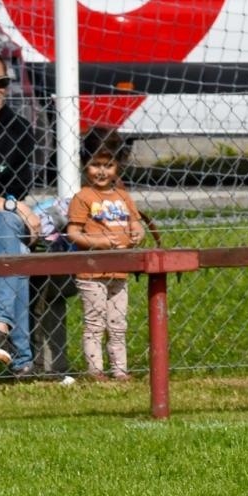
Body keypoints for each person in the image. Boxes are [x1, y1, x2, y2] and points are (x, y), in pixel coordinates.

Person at [64, 135, 145, 381]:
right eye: (95, 165)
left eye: (108, 165)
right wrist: (99, 243)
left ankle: (120, 370)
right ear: (85, 165)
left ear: (117, 166)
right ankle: (95, 371)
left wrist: (137, 233)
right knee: (95, 323)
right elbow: (73, 232)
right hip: (92, 272)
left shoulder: (122, 196)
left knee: (118, 324)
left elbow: (136, 223)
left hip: (119, 271)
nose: (101, 171)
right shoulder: (83, 197)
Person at [0, 49, 41, 377]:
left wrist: (5, 206)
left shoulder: (18, 131)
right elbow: (12, 202)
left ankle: (1, 326)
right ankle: (22, 362)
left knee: (4, 228)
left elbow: (17, 195)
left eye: (1, 82)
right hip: (1, 218)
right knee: (13, 244)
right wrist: (7, 204)